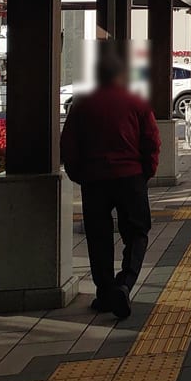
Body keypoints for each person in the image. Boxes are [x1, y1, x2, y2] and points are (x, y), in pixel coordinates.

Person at [60, 46, 159, 320]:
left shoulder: (83, 103)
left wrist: (78, 173)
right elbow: (152, 141)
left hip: (94, 181)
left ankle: (104, 292)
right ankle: (124, 284)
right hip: (130, 178)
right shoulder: (135, 102)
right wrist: (145, 172)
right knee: (137, 233)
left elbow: (68, 144)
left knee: (98, 236)